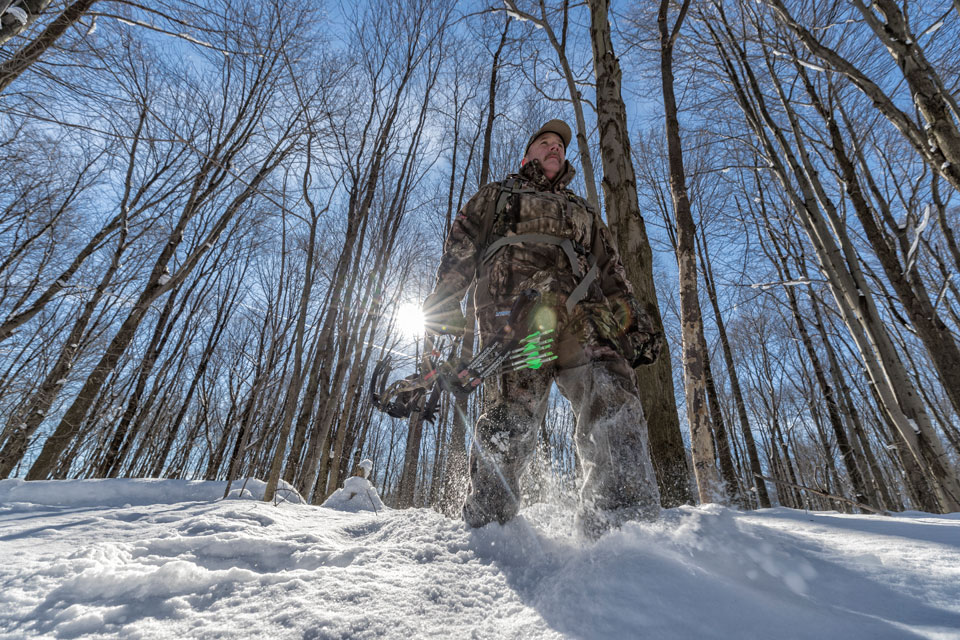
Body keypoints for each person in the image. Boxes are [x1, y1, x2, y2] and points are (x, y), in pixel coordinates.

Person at [422, 119, 663, 538]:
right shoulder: (497, 196)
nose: (555, 149)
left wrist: (634, 323)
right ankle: (491, 529)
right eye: (545, 143)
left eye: (560, 146)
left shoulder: (585, 211)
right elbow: (460, 248)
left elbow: (611, 272)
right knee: (510, 416)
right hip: (515, 314)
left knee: (613, 397)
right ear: (527, 155)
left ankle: (622, 530)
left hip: (585, 315)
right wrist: (444, 308)